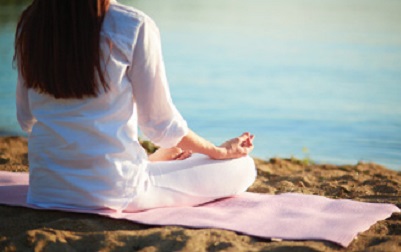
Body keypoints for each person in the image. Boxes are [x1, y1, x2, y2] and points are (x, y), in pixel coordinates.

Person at [14, 0, 256, 212]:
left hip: (45, 188)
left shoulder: (31, 23)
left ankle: (147, 162)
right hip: (114, 191)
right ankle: (144, 165)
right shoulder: (133, 26)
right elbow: (161, 127)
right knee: (243, 166)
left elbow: (26, 119)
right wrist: (219, 151)